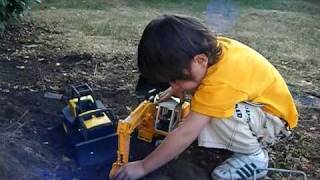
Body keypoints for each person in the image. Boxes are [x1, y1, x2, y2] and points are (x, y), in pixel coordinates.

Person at [111, 14, 298, 180]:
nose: (173, 86)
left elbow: (186, 132)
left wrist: (144, 166)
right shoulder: (209, 53)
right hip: (257, 108)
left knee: (213, 112)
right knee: (205, 105)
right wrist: (177, 88)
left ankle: (254, 157)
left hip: (275, 122)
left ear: (200, 60)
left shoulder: (220, 83)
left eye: (176, 79)